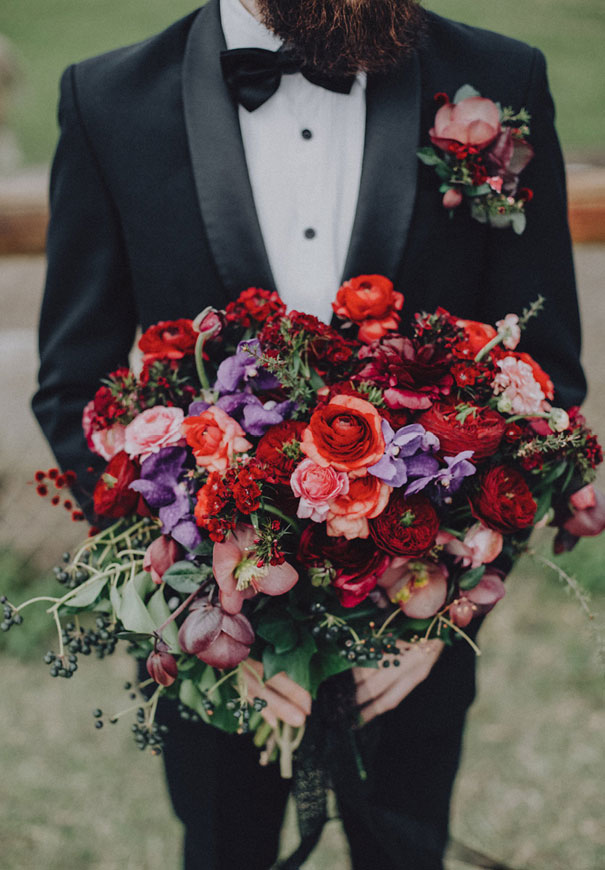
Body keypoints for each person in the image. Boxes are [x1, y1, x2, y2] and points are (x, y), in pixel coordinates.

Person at [32, 1, 605, 868]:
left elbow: (544, 377)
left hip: (414, 621)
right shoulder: (109, 101)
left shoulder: (498, 79)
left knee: (403, 848)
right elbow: (75, 386)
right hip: (215, 647)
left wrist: (441, 609)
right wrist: (194, 606)